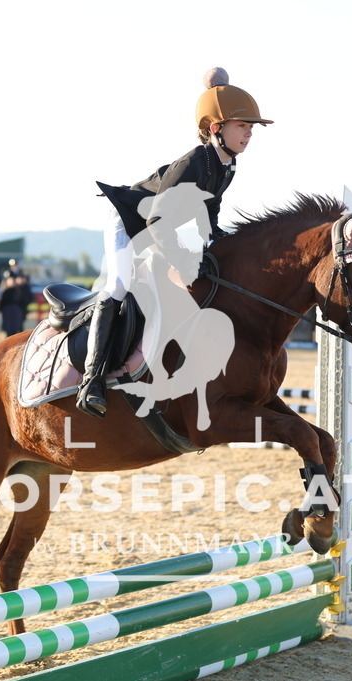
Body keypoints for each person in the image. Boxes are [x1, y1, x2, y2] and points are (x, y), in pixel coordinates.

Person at [76, 67, 271, 418]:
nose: (249, 133)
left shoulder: (227, 166)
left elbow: (209, 213)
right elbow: (156, 219)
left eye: (251, 128)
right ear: (216, 128)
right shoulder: (194, 162)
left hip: (158, 230)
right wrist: (183, 259)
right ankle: (92, 380)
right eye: (243, 125)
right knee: (119, 286)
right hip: (129, 224)